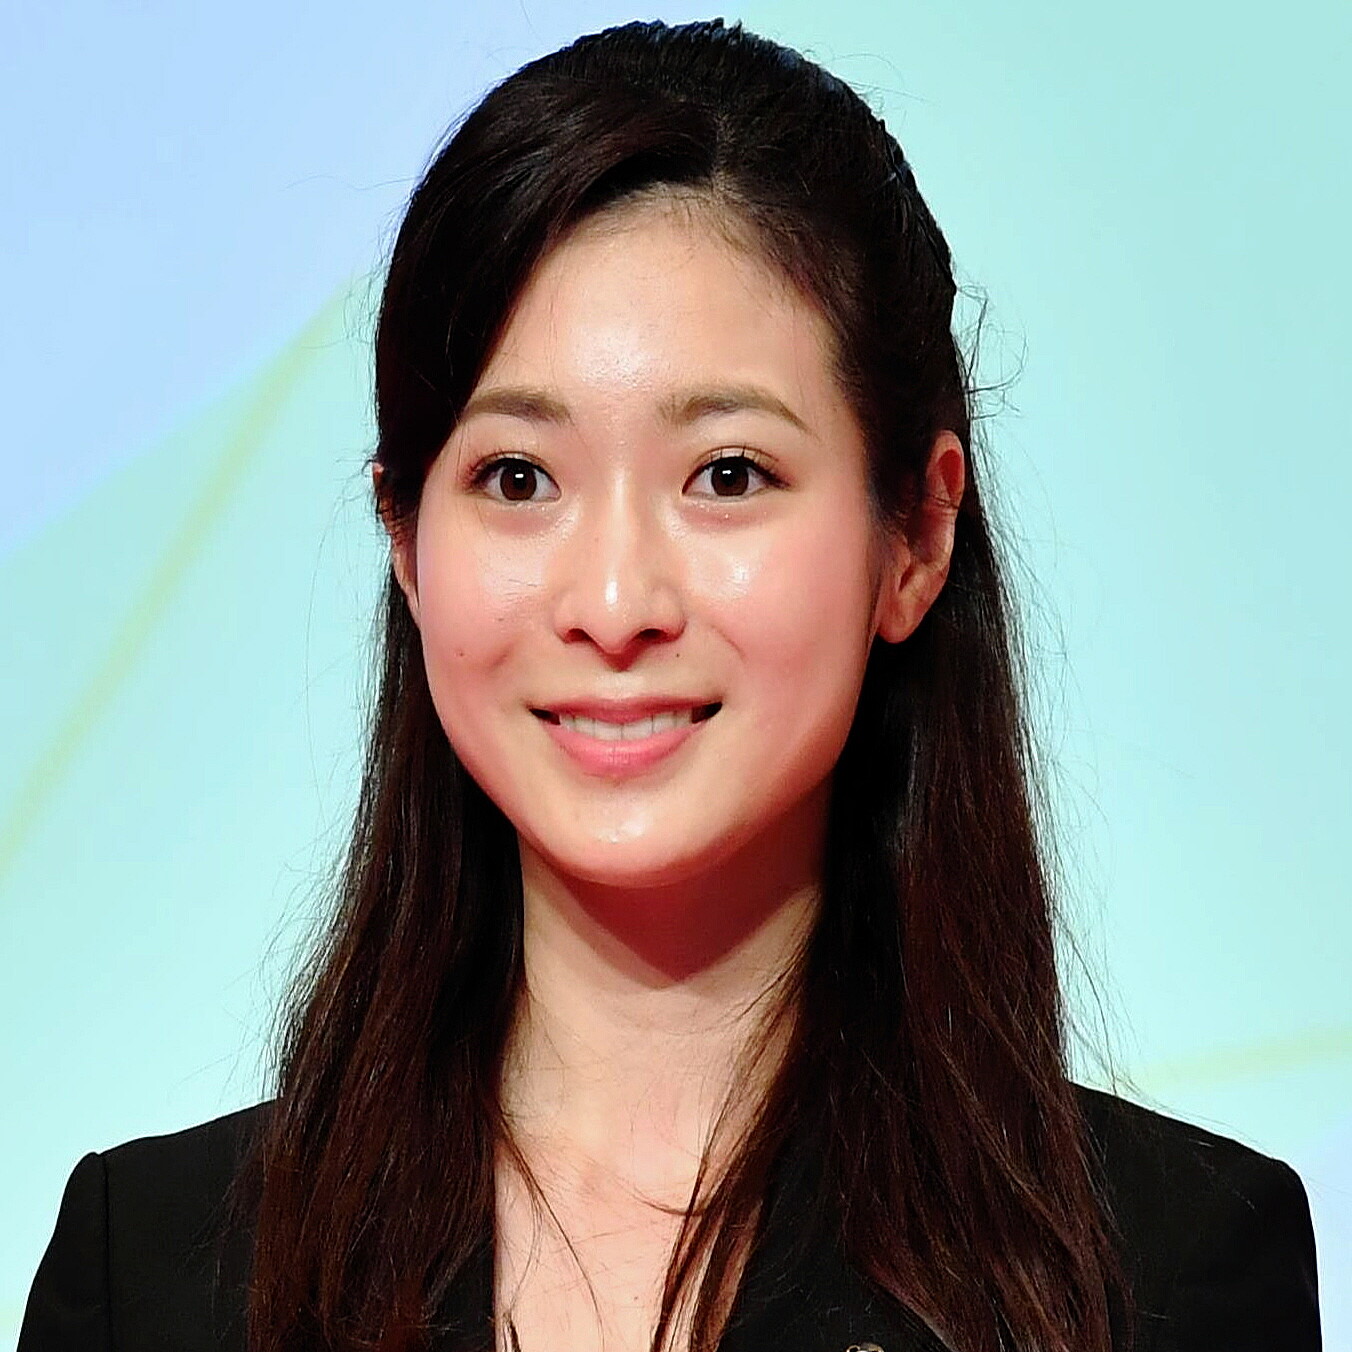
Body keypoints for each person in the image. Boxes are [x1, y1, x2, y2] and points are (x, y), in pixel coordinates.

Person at [18, 18, 1321, 1352]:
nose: (614, 603)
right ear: (405, 541)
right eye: (517, 478)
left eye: (728, 475)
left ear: (918, 536)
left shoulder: (1167, 1271)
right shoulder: (155, 1276)